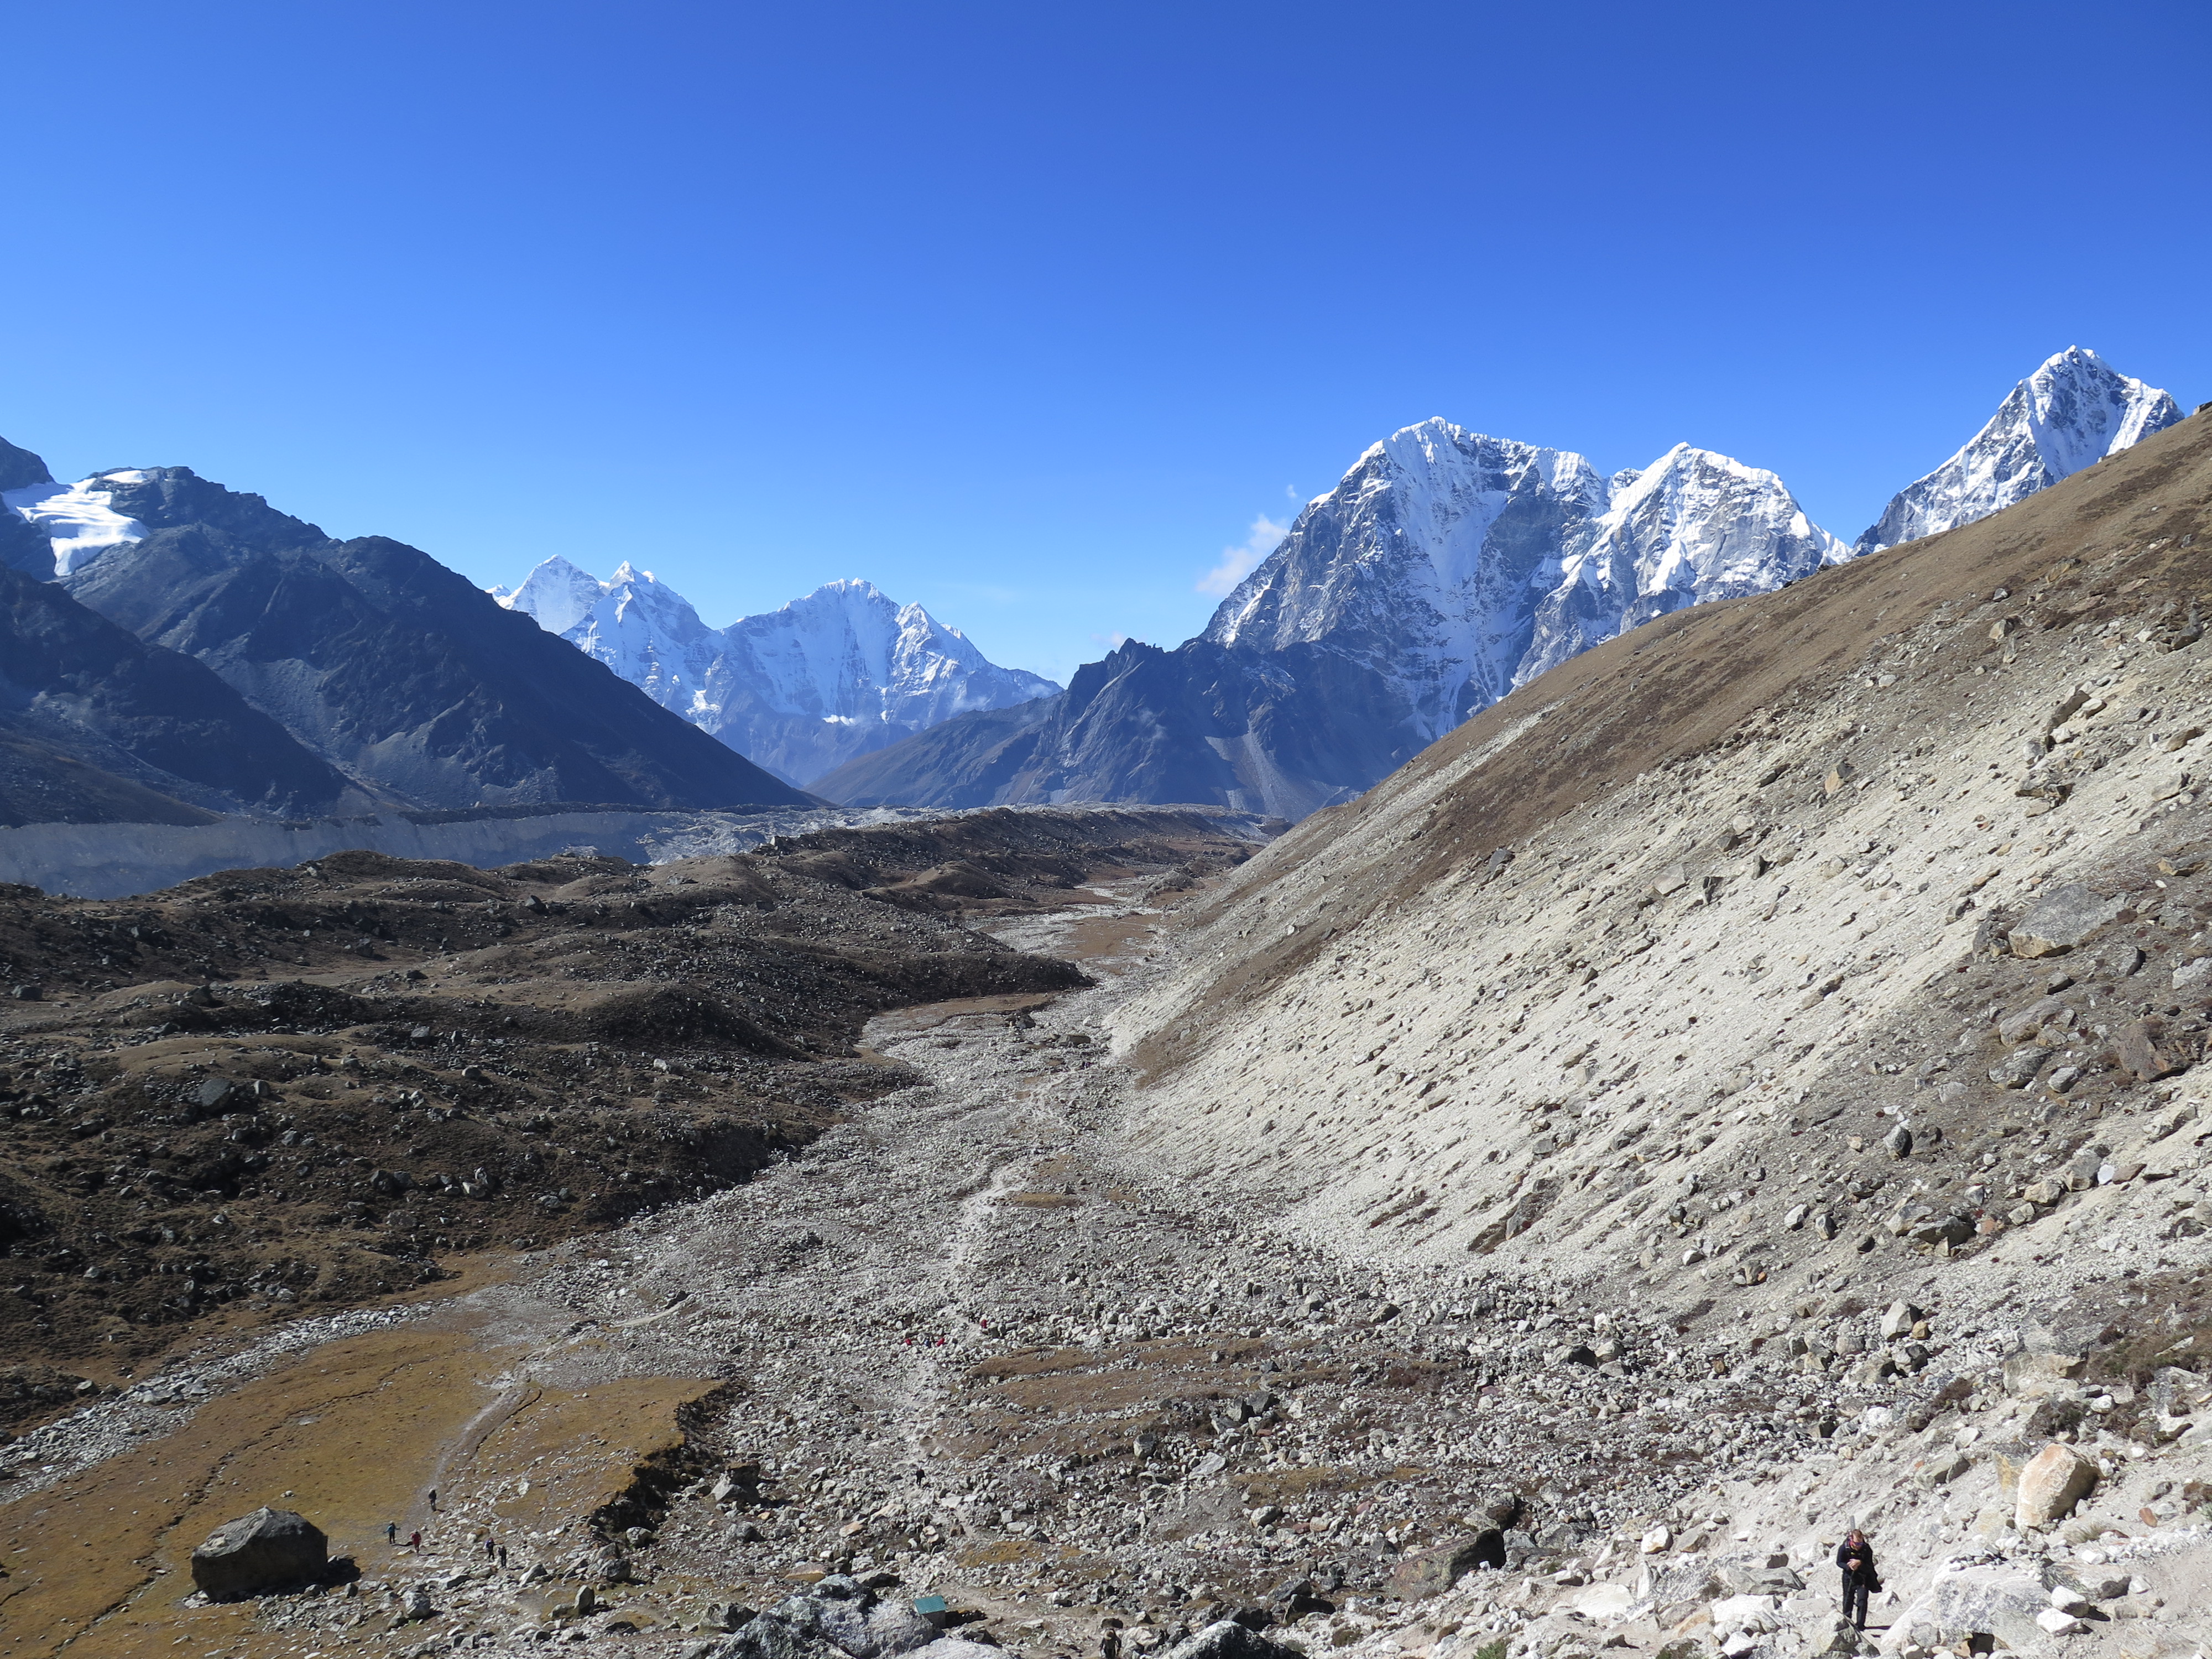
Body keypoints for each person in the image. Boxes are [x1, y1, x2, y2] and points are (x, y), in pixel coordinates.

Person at [1837, 1528, 1878, 1630]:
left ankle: (1860, 1624)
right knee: (1847, 1599)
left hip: (1863, 1577)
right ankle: (1847, 1621)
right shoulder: (1844, 1548)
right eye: (1856, 1543)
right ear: (1851, 1540)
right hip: (1849, 1577)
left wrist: (1860, 1563)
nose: (1858, 1546)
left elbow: (1870, 1565)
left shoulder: (1866, 1549)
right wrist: (1848, 1566)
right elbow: (1839, 1562)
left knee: (1862, 1600)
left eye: (1860, 1543)